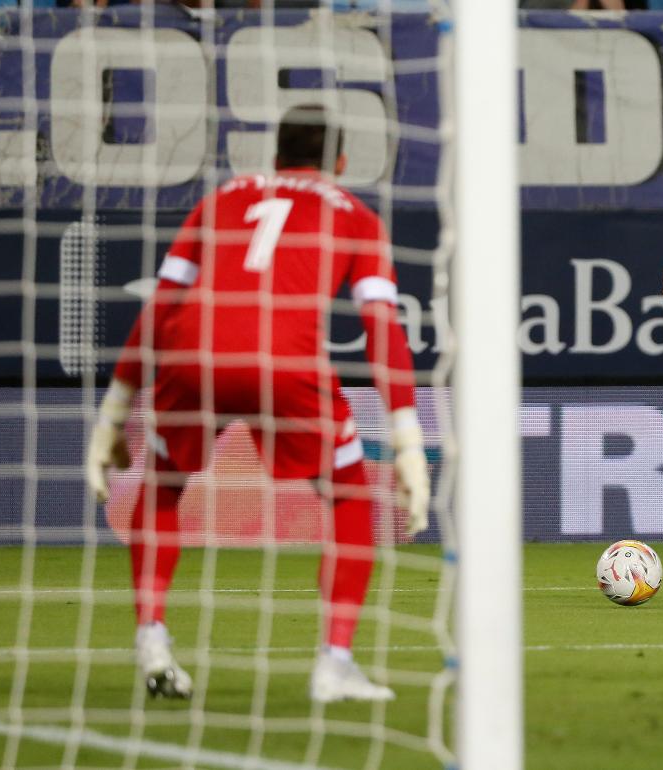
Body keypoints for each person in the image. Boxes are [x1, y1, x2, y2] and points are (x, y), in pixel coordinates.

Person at [85, 104, 430, 701]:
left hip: (194, 354)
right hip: (285, 360)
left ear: (275, 158)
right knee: (349, 494)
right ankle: (334, 661)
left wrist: (112, 414)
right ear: (341, 163)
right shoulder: (356, 216)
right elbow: (382, 328)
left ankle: (152, 634)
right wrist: (407, 441)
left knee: (164, 483)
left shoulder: (222, 199)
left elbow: (161, 305)